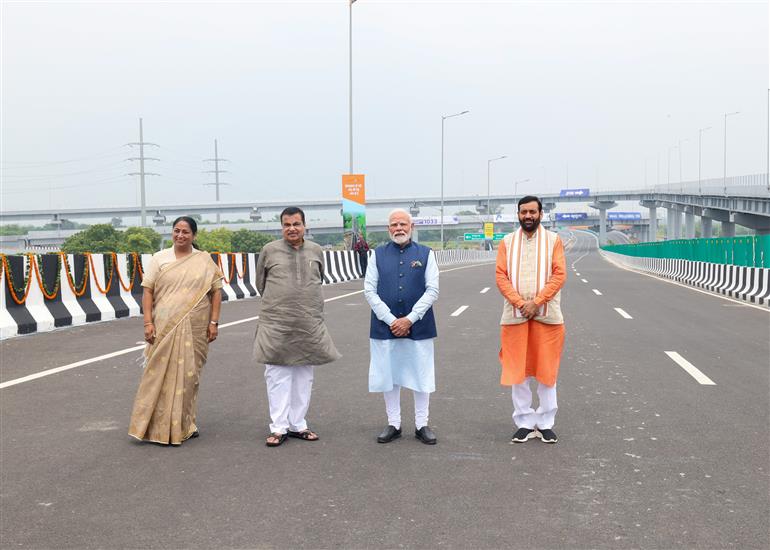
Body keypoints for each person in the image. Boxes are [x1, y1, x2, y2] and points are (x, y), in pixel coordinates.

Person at [128, 216, 223, 445]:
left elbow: (216, 291)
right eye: (176, 231)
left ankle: (185, 425)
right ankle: (153, 427)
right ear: (172, 233)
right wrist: (148, 323)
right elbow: (148, 291)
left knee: (190, 378)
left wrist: (214, 323)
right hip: (164, 325)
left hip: (196, 326)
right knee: (156, 376)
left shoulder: (203, 260)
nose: (180, 235)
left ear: (194, 235)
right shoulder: (160, 259)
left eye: (186, 232)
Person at [253, 206, 341, 447]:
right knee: (278, 376)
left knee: (304, 375)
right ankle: (279, 427)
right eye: (287, 224)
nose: (291, 229)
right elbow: (261, 283)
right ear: (281, 227)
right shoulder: (269, 250)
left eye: (296, 224)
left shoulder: (315, 250)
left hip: (308, 322)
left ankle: (298, 424)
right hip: (277, 323)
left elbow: (319, 279)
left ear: (305, 226)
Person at [364, 208, 440, 445]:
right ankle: (394, 423)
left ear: (412, 227)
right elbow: (369, 290)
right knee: (389, 374)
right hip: (384, 326)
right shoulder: (376, 255)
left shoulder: (426, 254)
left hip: (419, 325)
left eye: (403, 224)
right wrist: (390, 320)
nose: (399, 228)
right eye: (394, 225)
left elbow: (433, 290)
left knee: (421, 374)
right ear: (388, 229)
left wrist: (410, 318)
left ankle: (421, 424)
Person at [496, 195, 567, 444]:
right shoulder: (507, 242)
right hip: (514, 317)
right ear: (518, 214)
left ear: (540, 214)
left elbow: (559, 275)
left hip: (547, 317)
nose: (528, 216)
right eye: (524, 212)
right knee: (519, 372)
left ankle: (546, 422)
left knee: (547, 372)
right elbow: (501, 276)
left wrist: (536, 303)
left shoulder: (553, 241)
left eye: (532, 212)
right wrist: (520, 303)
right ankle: (525, 422)